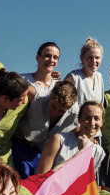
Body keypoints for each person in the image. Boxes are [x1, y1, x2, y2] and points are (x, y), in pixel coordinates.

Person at [12, 43, 76, 178]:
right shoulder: (24, 81)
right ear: (37, 57)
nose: (51, 60)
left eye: (55, 57)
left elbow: (77, 123)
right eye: (47, 56)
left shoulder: (58, 85)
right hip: (22, 144)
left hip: (44, 150)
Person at [36, 100, 106, 179]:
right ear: (79, 119)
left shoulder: (98, 151)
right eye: (87, 118)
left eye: (97, 119)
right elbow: (40, 177)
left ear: (102, 122)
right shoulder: (59, 140)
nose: (92, 123)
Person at [64, 37, 104, 107]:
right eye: (90, 58)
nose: (93, 61)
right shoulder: (73, 78)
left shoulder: (99, 77)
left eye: (97, 58)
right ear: (82, 58)